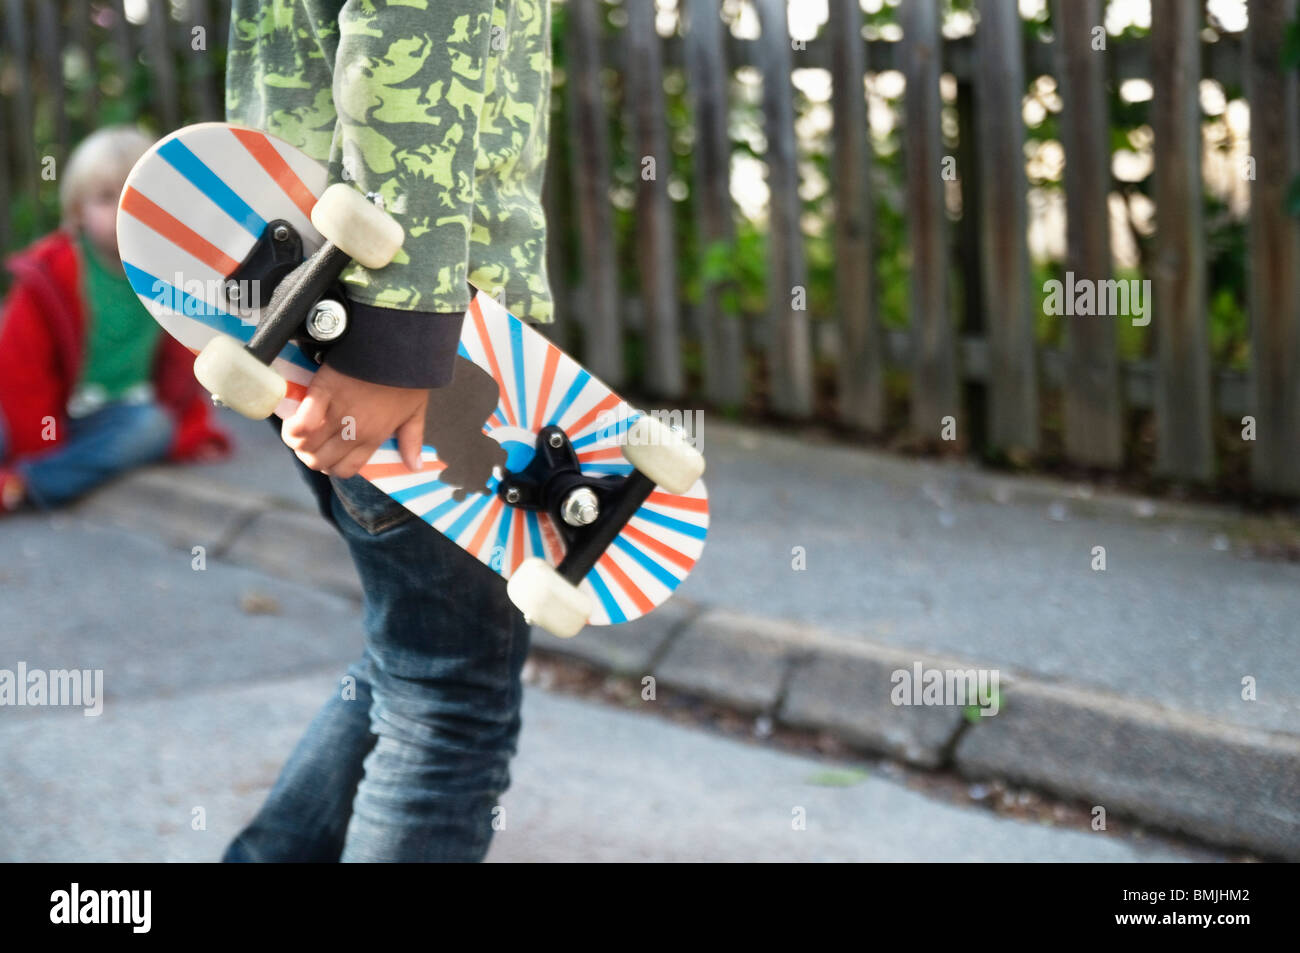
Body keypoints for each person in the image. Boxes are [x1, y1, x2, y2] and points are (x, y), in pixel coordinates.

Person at [220, 0, 553, 862]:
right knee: (449, 694)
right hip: (421, 344)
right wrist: (395, 340)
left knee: (413, 661)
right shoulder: (396, 346)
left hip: (306, 309)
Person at [0, 126, 230, 514]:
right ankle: (44, 472)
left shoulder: (169, 275)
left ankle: (25, 485)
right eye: (107, 198)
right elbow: (20, 375)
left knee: (152, 427)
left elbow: (184, 366)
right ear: (77, 209)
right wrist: (41, 445)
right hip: (38, 418)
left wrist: (193, 430)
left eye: (137, 197)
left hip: (106, 419)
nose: (123, 209)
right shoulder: (50, 275)